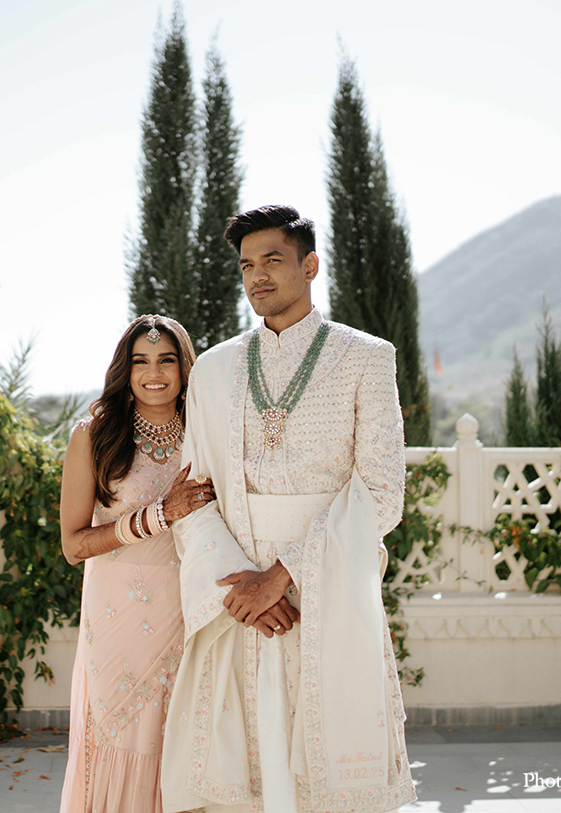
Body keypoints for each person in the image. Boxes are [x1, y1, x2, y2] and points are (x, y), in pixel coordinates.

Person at [161, 205, 417, 812]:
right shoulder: (214, 370)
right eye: (246, 264)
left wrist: (280, 577)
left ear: (310, 266)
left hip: (327, 589)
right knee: (240, 778)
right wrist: (240, 587)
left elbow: (383, 493)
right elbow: (193, 495)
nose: (257, 275)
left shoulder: (365, 357)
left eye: (272, 260)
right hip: (236, 596)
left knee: (329, 776)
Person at [59, 314, 219, 813]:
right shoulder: (95, 436)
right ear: (124, 371)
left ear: (185, 367)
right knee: (126, 735)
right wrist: (158, 515)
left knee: (185, 738)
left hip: (193, 609)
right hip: (119, 617)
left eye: (167, 360)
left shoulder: (207, 433)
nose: (154, 373)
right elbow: (73, 545)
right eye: (141, 361)